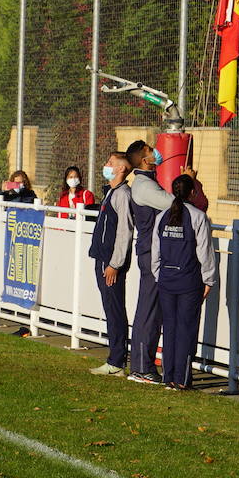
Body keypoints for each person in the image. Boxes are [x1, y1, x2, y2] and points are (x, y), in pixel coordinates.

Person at [125, 139, 208, 384]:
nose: (157, 154)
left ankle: (148, 365)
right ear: (143, 159)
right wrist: (188, 183)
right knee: (149, 310)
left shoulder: (148, 182)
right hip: (154, 257)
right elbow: (176, 205)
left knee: (158, 312)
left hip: (159, 256)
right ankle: (141, 366)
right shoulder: (143, 186)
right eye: (151, 151)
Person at [150, 174, 217, 390]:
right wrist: (209, 279)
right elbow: (205, 252)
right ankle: (181, 379)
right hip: (189, 281)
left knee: (169, 329)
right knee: (186, 331)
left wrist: (159, 276)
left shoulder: (161, 217)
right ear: (192, 193)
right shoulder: (198, 216)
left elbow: (155, 253)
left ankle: (167, 376)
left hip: (167, 281)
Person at [88, 152, 136, 376]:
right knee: (110, 308)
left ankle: (117, 362)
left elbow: (124, 232)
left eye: (110, 163)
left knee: (115, 309)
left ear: (121, 170)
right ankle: (115, 358)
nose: (105, 166)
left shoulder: (123, 194)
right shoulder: (111, 193)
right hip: (102, 259)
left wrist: (115, 264)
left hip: (110, 264)